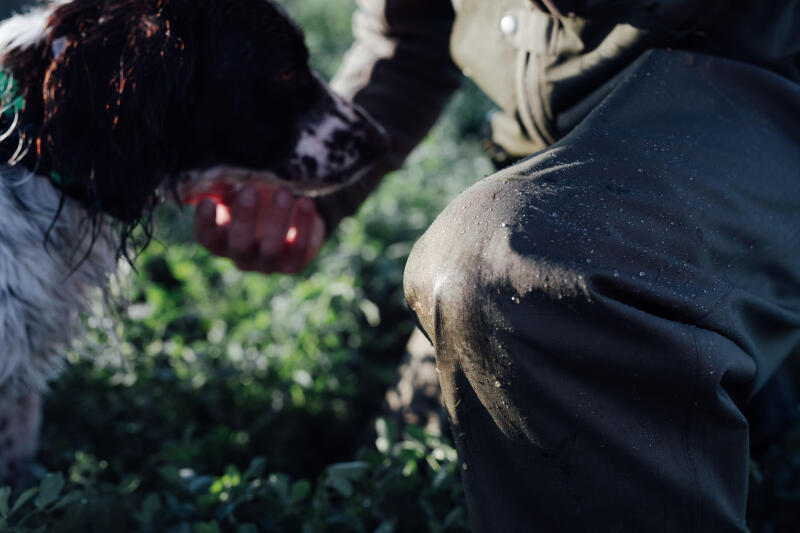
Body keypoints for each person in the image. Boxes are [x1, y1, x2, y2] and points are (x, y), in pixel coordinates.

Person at [194, 0, 800, 530]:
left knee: (513, 273)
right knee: (399, 475)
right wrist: (314, 184)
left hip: (762, 104)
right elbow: (406, 39)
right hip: (558, 164)